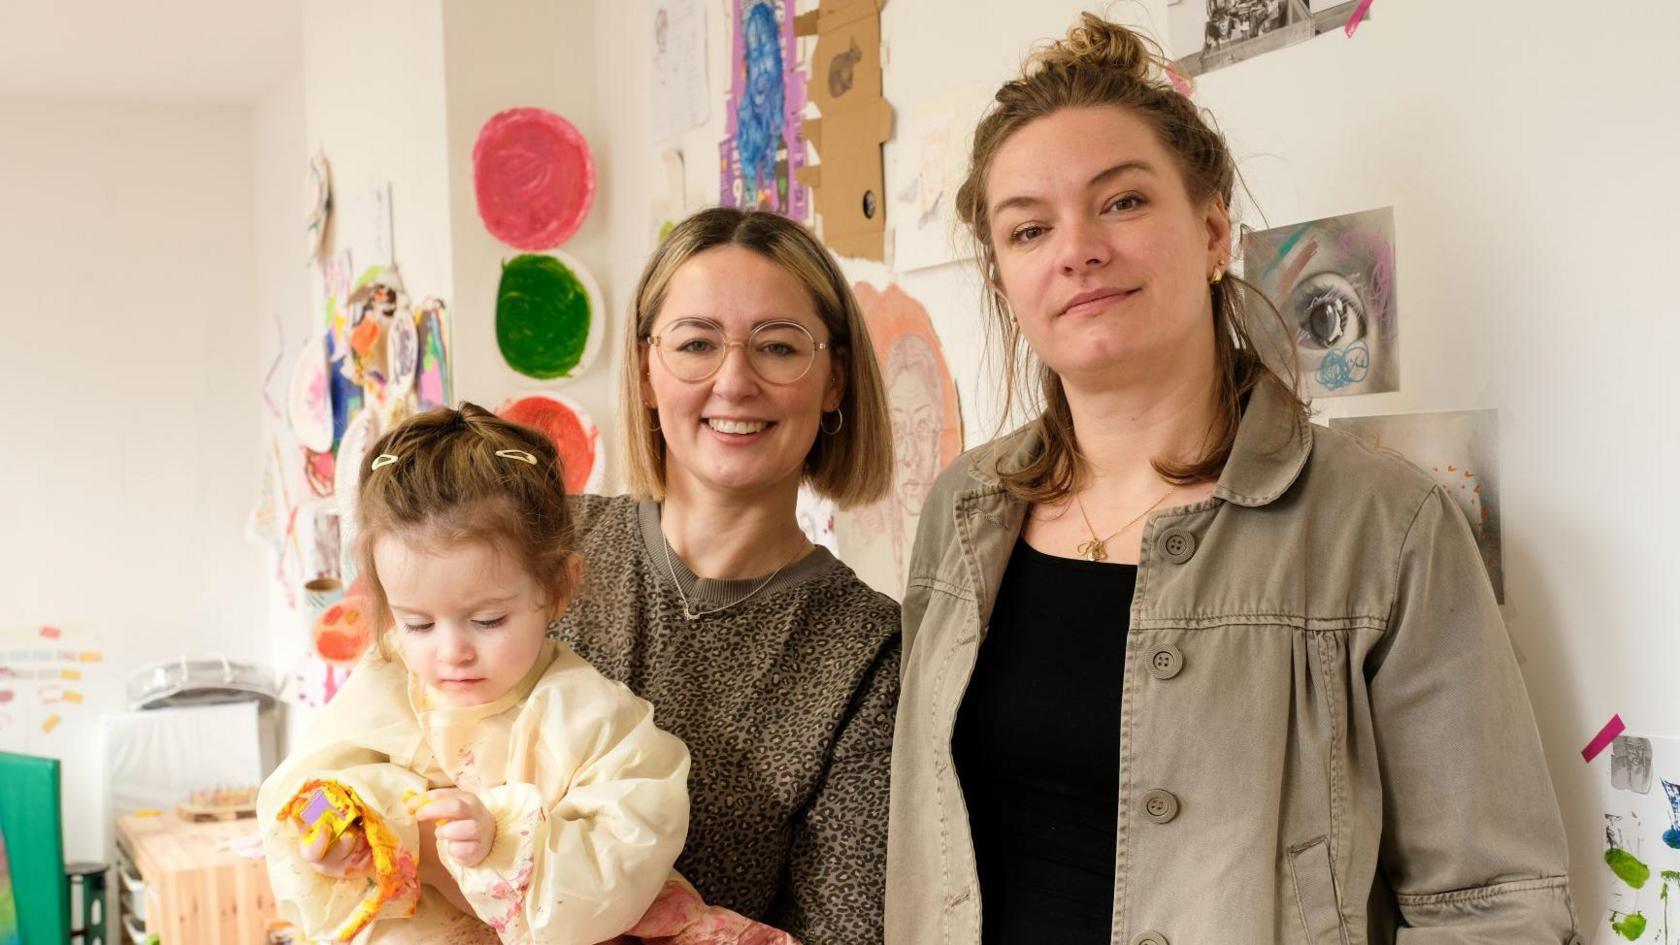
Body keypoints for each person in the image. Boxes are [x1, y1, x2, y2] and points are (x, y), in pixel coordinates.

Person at [886, 13, 1579, 945]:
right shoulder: (964, 509)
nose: (1076, 248)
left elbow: (1495, 903)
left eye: (1122, 202)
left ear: (1213, 231)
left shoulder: (1385, 526)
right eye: (1028, 228)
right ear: (1006, 276)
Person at [257, 405, 796, 945]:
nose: (452, 652)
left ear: (557, 587)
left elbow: (624, 859)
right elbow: (318, 778)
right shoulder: (387, 680)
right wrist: (336, 836)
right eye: (417, 623)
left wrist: (502, 838)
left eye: (487, 620)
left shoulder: (595, 720)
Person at [556, 205, 900, 945]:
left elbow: (843, 932)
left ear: (834, 380)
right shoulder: (543, 544)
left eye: (778, 347)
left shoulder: (868, 649)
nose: (734, 381)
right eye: (696, 343)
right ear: (648, 370)